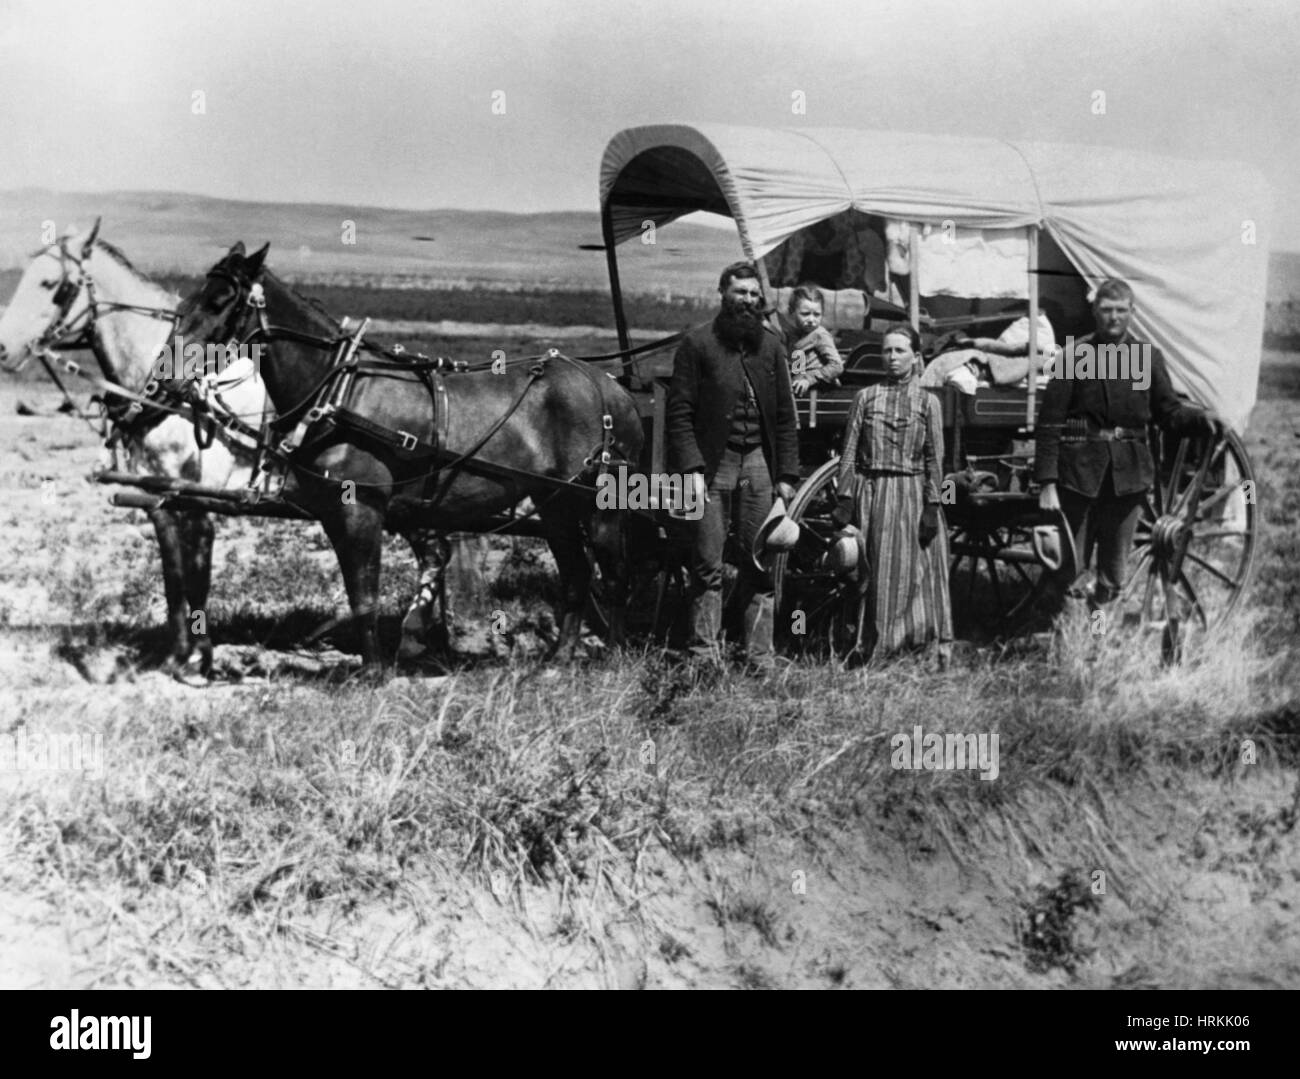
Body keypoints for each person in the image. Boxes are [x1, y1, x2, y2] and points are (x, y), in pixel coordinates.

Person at [1035, 278, 1219, 609]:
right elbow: (1049, 423)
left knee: (1113, 574)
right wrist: (1047, 481)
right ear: (1095, 312)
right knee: (1068, 568)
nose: (1114, 318)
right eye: (1106, 310)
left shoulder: (1147, 359)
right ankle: (1067, 643)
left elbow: (1169, 414)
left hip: (1129, 479)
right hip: (1079, 476)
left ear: (1132, 312)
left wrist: (1200, 419)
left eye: (1121, 310)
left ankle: (1097, 638)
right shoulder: (1074, 356)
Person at [666, 261, 801, 670]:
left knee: (760, 565)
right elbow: (680, 413)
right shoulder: (697, 344)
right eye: (740, 292)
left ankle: (760, 656)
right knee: (707, 566)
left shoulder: (772, 347)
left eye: (754, 295)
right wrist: (690, 470)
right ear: (722, 293)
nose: (747, 301)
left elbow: (784, 417)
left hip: (758, 464)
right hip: (712, 468)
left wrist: (787, 477)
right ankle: (703, 656)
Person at [830, 324, 953, 664]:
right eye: (886, 351)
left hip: (913, 495)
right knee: (878, 575)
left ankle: (919, 648)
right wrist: (846, 498)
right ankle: (875, 648)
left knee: (919, 574)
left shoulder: (929, 403)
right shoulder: (866, 398)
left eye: (900, 351)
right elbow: (850, 452)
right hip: (875, 494)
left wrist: (932, 505)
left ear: (916, 357)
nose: (892, 358)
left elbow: (935, 458)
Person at [921, 303, 1059, 393]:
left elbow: (1012, 347)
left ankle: (969, 370)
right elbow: (1007, 347)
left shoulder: (1037, 330)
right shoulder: (1029, 328)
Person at [776, 284, 845, 396]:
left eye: (817, 315)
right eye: (805, 314)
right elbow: (797, 367)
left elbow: (837, 366)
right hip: (799, 390)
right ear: (792, 312)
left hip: (819, 392)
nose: (811, 320)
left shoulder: (820, 335)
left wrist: (809, 379)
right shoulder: (795, 335)